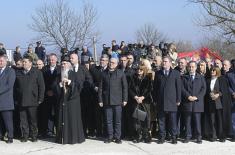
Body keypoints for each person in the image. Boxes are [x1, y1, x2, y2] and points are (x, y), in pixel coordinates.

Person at [14, 56, 45, 142]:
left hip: (33, 100)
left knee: (33, 120)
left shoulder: (37, 72)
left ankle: (34, 135)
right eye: (23, 62)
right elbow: (15, 87)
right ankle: (25, 135)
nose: (24, 63)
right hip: (21, 101)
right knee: (23, 120)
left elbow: (41, 86)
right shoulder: (18, 72)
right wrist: (16, 99)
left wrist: (40, 99)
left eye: (26, 62)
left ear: (30, 63)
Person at [55, 55, 85, 144]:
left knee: (73, 119)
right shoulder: (58, 75)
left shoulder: (74, 74)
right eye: (62, 64)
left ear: (68, 64)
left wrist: (70, 82)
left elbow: (79, 86)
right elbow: (54, 87)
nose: (63, 65)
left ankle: (73, 138)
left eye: (65, 63)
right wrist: (60, 85)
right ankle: (62, 138)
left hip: (72, 101)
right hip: (62, 101)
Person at [98, 57, 128, 144]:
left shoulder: (120, 73)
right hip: (107, 101)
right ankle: (110, 136)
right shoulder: (104, 73)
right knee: (108, 120)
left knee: (118, 121)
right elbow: (100, 88)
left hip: (118, 101)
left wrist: (125, 99)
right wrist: (100, 100)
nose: (111, 64)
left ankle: (117, 137)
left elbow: (125, 87)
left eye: (113, 63)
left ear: (117, 64)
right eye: (110, 62)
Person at [153, 56, 181, 144]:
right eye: (163, 61)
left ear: (170, 63)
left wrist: (178, 99)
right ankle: (162, 137)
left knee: (173, 121)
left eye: (165, 61)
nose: (164, 63)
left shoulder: (176, 73)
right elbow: (155, 88)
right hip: (161, 101)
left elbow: (178, 87)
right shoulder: (158, 73)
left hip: (172, 101)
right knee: (161, 121)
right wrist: (155, 99)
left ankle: (173, 137)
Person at [181, 61, 206, 144]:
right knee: (187, 121)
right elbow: (182, 88)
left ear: (196, 68)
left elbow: (203, 89)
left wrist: (196, 97)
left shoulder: (201, 77)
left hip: (197, 103)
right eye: (190, 67)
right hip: (187, 102)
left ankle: (198, 137)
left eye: (193, 67)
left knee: (197, 121)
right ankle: (188, 136)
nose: (191, 68)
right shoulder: (184, 77)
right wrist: (188, 96)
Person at [129, 65, 153, 143]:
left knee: (146, 119)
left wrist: (142, 97)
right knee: (138, 119)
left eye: (141, 69)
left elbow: (149, 89)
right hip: (136, 101)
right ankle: (138, 135)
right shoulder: (133, 78)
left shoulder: (148, 78)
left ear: (144, 70)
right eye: (138, 69)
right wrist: (136, 97)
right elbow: (130, 89)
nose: (139, 71)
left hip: (145, 101)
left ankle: (146, 136)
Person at [39, 53, 60, 138]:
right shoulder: (44, 69)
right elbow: (42, 82)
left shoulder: (60, 69)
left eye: (53, 59)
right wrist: (47, 91)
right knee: (48, 114)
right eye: (50, 60)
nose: (51, 61)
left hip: (57, 96)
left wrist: (54, 91)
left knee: (57, 113)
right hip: (47, 95)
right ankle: (49, 131)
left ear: (56, 60)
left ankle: (58, 131)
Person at [205, 66, 225, 142]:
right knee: (212, 120)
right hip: (210, 103)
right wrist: (209, 94)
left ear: (217, 71)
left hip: (219, 103)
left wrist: (218, 94)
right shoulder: (208, 80)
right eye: (211, 70)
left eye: (214, 70)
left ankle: (221, 136)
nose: (212, 72)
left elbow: (224, 91)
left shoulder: (221, 79)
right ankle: (214, 135)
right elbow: (206, 91)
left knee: (220, 120)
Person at [0, 54, 16, 143]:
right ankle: (1, 135)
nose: (0, 62)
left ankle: (10, 137)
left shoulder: (10, 71)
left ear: (6, 61)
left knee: (8, 121)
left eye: (2, 61)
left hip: (6, 101)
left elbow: (9, 86)